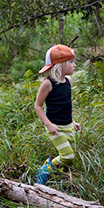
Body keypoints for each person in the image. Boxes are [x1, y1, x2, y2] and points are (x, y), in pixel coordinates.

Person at [34, 44, 81, 185]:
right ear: (60, 65)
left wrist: (72, 121)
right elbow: (38, 106)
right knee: (67, 156)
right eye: (71, 62)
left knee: (70, 158)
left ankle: (60, 180)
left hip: (68, 126)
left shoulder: (68, 82)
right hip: (55, 128)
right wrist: (48, 125)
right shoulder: (48, 84)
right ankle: (45, 169)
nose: (74, 65)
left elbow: (66, 105)